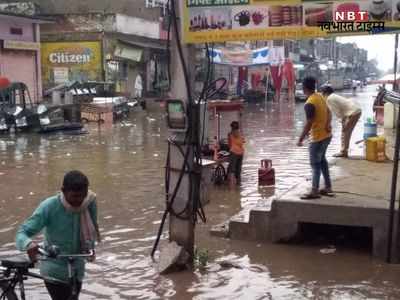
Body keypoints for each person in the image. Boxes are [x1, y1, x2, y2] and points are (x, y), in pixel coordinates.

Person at [16, 170, 100, 300]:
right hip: (54, 267)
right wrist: (29, 244)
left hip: (77, 265)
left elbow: (92, 229)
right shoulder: (49, 206)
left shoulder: (89, 202)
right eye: (74, 196)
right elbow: (22, 233)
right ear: (63, 191)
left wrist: (90, 247)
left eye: (82, 196)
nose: (78, 201)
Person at [297, 77, 333, 199]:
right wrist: (328, 125)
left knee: (315, 165)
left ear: (304, 88)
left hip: (317, 138)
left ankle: (314, 191)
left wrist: (301, 138)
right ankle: (328, 187)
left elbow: (309, 122)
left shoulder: (310, 103)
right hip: (327, 136)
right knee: (322, 161)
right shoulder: (320, 96)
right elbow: (329, 112)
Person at [321, 85, 362, 158]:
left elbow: (338, 113)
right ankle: (344, 151)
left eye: (322, 94)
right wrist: (344, 122)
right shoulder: (333, 96)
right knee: (346, 132)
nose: (322, 95)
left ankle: (343, 152)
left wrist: (343, 123)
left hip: (353, 112)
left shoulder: (329, 99)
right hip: (355, 110)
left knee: (345, 132)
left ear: (325, 93)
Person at [227, 121, 245, 187]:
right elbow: (243, 141)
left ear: (231, 127)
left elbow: (229, 145)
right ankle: (238, 185)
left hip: (233, 152)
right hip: (241, 153)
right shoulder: (240, 133)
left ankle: (231, 188)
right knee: (238, 169)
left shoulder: (230, 134)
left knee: (232, 169)